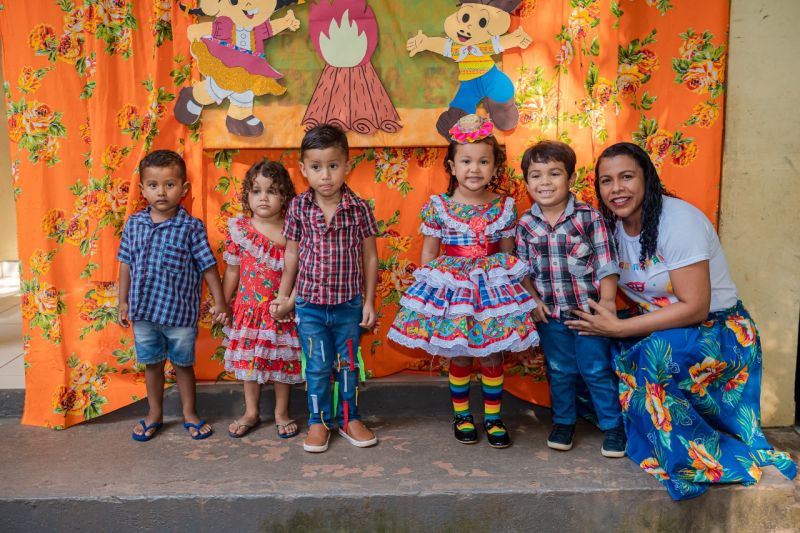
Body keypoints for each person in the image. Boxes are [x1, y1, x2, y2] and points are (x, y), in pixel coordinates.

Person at [568, 142, 798, 500]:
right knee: (585, 346)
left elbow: (696, 308)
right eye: (606, 181)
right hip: (659, 325)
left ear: (647, 178)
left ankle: (697, 456)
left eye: (627, 177)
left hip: (717, 332)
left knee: (653, 353)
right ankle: (637, 425)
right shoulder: (607, 226)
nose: (616, 189)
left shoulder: (678, 220)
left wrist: (620, 328)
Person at [389, 114, 538, 448]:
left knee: (492, 354)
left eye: (483, 161)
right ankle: (462, 415)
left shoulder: (504, 207)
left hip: (492, 292)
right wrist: (429, 300)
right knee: (459, 355)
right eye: (466, 161)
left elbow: (509, 256)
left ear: (495, 167)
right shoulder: (438, 207)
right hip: (453, 292)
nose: (475, 169)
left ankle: (494, 417)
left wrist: (521, 296)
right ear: (452, 167)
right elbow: (429, 254)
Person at [271, 124, 379, 453]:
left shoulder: (359, 208)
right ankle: (318, 421)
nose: (326, 175)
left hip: (348, 305)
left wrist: (369, 302)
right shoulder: (298, 208)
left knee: (347, 364)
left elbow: (370, 257)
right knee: (317, 366)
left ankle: (349, 418)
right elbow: (292, 254)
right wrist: (284, 297)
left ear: (347, 166)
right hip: (310, 307)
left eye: (333, 166)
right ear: (303, 169)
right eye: (316, 167)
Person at [515, 140, 625, 457]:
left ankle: (613, 427)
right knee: (560, 370)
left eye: (554, 173)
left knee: (595, 369)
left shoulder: (588, 218)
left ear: (571, 178)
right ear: (527, 182)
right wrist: (533, 301)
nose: (545, 182)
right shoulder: (526, 224)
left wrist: (607, 304)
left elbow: (606, 263)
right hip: (551, 316)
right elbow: (521, 269)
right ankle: (563, 422)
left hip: (589, 315)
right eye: (536, 175)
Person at [118, 149, 228, 442]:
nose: (161, 192)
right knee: (152, 364)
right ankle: (154, 414)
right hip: (143, 312)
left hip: (179, 315)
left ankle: (189, 413)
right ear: (143, 189)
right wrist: (122, 301)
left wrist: (220, 301)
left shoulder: (191, 228)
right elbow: (125, 263)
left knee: (183, 365)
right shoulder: (134, 224)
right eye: (153, 185)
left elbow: (208, 266)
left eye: (169, 184)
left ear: (184, 188)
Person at [222, 160, 303, 439]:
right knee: (249, 364)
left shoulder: (292, 231)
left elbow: (300, 272)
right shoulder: (240, 228)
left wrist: (288, 301)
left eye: (272, 191)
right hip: (248, 311)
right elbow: (232, 270)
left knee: (282, 363)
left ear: (285, 197)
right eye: (257, 191)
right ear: (247, 195)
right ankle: (251, 411)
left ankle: (281, 412)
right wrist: (223, 302)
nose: (264, 198)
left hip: (280, 310)